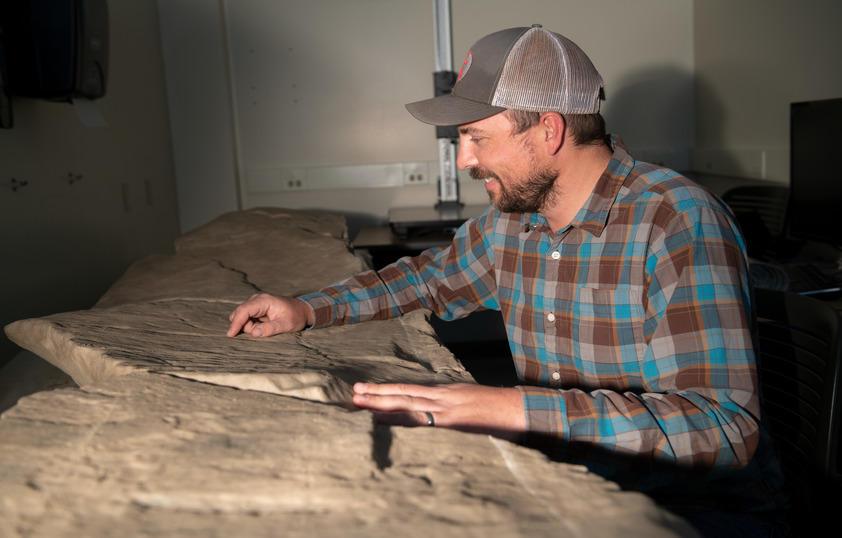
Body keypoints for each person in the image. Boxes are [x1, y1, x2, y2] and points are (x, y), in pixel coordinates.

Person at [227, 25, 788, 536]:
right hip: (567, 485)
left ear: (548, 131)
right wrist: (307, 310)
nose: (466, 158)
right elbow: (424, 279)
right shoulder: (512, 224)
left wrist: (507, 409)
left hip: (695, 512)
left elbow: (722, 428)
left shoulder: (676, 220)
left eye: (477, 136)